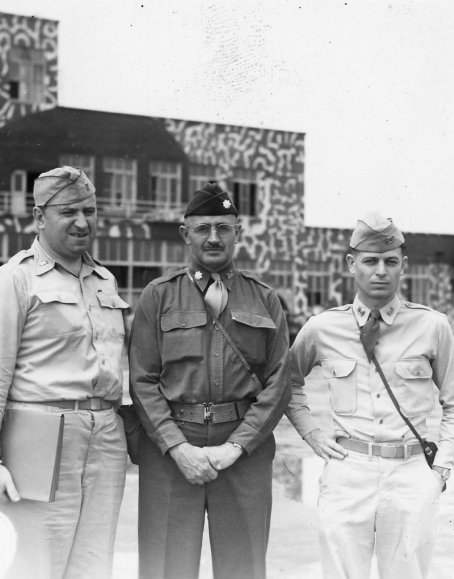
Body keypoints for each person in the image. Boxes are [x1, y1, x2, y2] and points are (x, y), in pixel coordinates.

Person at [0, 166, 129, 578]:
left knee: (94, 565)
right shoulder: (14, 280)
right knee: (37, 564)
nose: (82, 222)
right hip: (41, 436)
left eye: (89, 211)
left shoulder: (104, 280)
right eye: (68, 212)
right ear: (39, 217)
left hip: (106, 436)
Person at [286, 213, 454, 579]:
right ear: (351, 264)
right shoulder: (323, 327)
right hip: (348, 471)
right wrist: (312, 434)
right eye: (370, 261)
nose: (381, 271)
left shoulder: (432, 326)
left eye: (390, 262)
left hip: (411, 473)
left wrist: (440, 468)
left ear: (404, 265)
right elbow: (287, 383)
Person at [129, 182, 291, 579]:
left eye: (223, 227)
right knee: (165, 568)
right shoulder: (158, 296)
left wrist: (236, 446)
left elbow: (279, 382)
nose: (213, 237)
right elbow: (142, 381)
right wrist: (177, 447)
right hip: (171, 452)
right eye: (203, 228)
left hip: (242, 452)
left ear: (239, 232)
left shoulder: (264, 299)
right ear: (186, 234)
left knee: (242, 568)